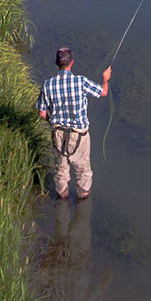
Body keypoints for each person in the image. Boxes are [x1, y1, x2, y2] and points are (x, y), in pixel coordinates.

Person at [38, 45, 111, 200]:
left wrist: (52, 122)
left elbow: (42, 113)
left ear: (57, 63)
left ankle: (62, 202)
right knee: (83, 171)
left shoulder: (47, 84)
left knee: (61, 171)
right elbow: (103, 92)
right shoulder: (81, 81)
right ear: (72, 63)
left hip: (58, 133)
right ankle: (82, 202)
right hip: (79, 136)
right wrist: (105, 79)